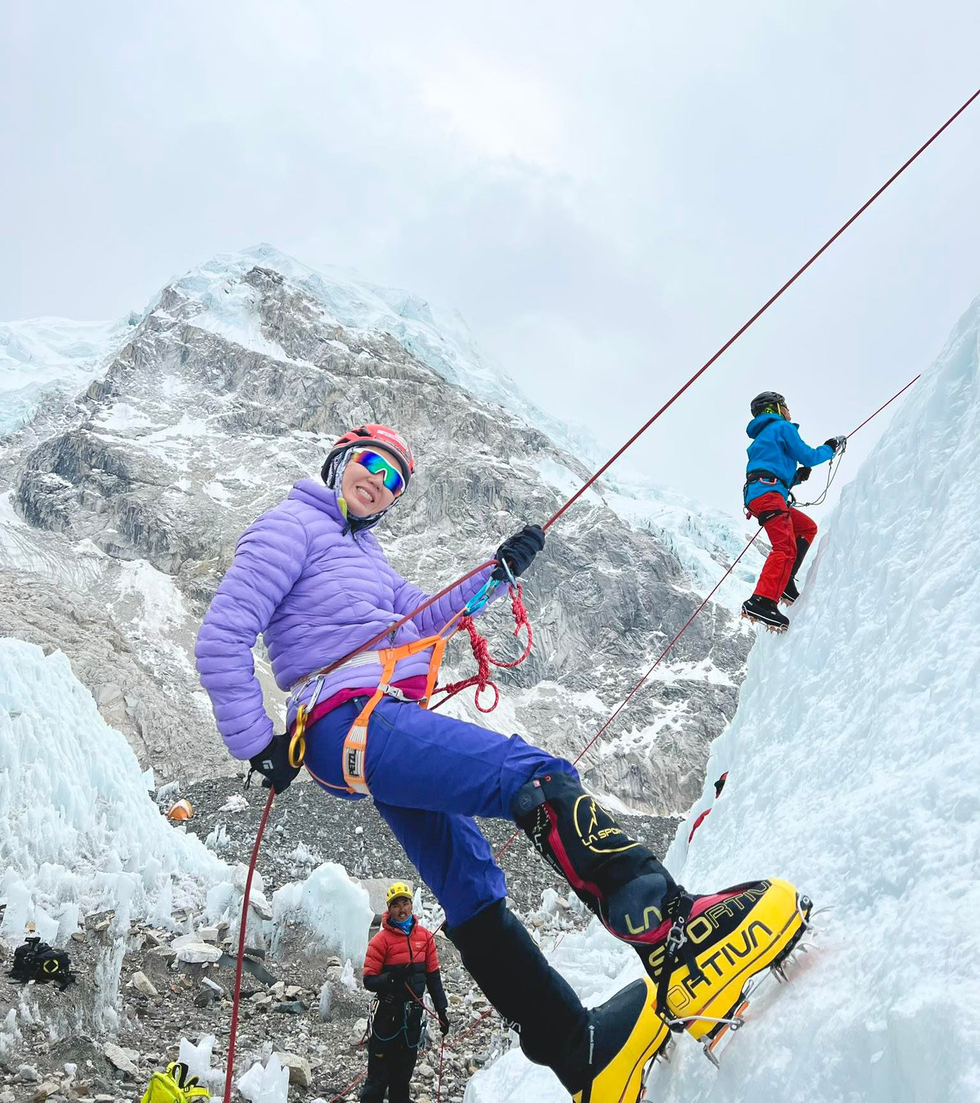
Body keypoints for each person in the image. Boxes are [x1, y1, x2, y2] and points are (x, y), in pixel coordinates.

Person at [196, 422, 812, 1102]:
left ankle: (581, 1055)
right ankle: (679, 943)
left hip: (375, 726)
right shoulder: (291, 527)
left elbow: (425, 618)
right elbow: (222, 635)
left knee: (472, 887)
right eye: (371, 464)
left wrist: (497, 573)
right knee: (531, 773)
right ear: (340, 460)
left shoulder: (366, 557)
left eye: (395, 479)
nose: (380, 483)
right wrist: (257, 743)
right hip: (350, 718)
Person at [741, 391, 846, 632]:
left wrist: (795, 478)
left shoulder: (762, 437)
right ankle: (762, 601)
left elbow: (767, 466)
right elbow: (807, 455)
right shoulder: (782, 428)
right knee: (785, 547)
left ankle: (785, 581)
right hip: (769, 494)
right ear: (775, 409)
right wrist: (830, 447)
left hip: (762, 493)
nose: (789, 411)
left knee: (806, 528)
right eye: (785, 406)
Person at [360, 881, 449, 1103]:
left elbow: (433, 977)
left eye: (405, 903)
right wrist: (389, 979)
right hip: (387, 1017)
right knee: (378, 1077)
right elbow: (369, 980)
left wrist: (442, 1011)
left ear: (411, 906)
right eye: (396, 905)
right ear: (389, 909)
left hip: (412, 1017)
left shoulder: (425, 938)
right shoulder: (380, 941)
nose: (402, 909)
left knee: (403, 1074)